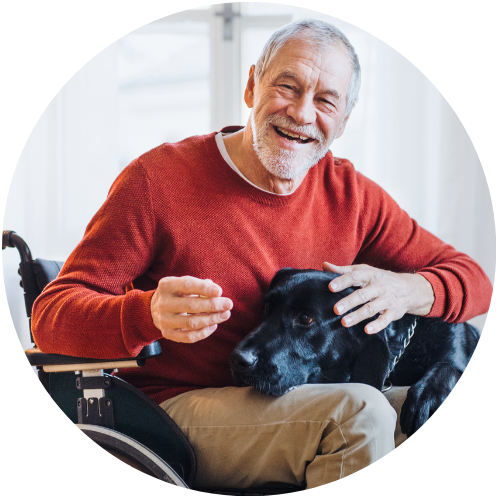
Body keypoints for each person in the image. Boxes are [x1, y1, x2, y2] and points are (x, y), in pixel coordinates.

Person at [31, 19, 492, 489]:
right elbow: (49, 316)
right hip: (176, 411)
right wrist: (145, 313)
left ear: (344, 120)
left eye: (325, 100)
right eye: (287, 87)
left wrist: (408, 287)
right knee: (361, 413)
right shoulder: (157, 181)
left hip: (298, 397)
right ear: (252, 86)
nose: (301, 113)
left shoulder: (351, 195)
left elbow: (474, 280)